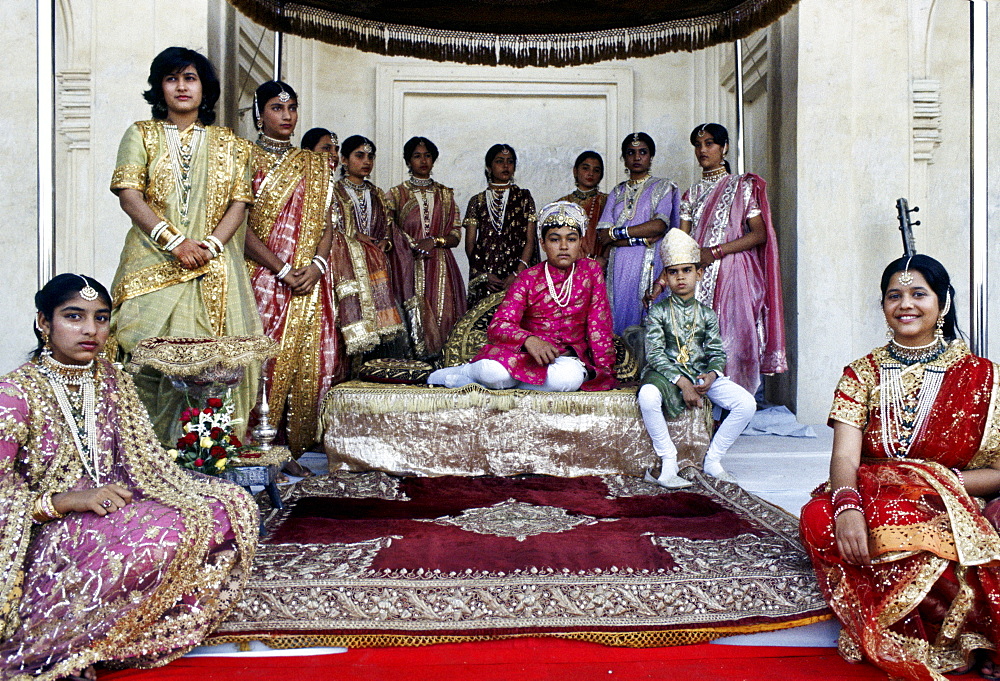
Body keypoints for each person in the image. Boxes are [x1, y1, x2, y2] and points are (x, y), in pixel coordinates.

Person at [0, 274, 259, 680]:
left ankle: (138, 627)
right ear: (43, 322)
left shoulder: (111, 377)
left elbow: (142, 461)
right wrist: (68, 501)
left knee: (229, 505)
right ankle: (64, 644)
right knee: (168, 534)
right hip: (51, 528)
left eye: (101, 319)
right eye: (74, 317)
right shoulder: (14, 394)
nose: (91, 330)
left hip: (115, 505)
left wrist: (150, 494)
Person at [799, 255, 1000, 681]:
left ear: (942, 304)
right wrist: (846, 506)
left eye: (918, 294)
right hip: (877, 495)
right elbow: (844, 457)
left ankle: (969, 636)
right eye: (894, 295)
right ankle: (925, 638)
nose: (905, 304)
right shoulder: (861, 373)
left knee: (934, 523)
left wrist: (942, 484)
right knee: (819, 517)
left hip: (958, 498)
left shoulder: (985, 377)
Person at [108, 47, 260, 445]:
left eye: (190, 78)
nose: (181, 86)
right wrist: (174, 241)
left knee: (213, 368)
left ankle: (207, 459)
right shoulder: (141, 133)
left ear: (204, 88)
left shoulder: (230, 144)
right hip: (152, 262)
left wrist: (209, 246)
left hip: (213, 267)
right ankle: (143, 453)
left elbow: (240, 203)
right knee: (141, 355)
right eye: (172, 78)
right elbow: (129, 194)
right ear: (160, 87)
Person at [243, 81, 343, 470]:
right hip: (263, 277)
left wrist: (317, 266)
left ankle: (289, 452)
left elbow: (328, 224)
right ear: (258, 113)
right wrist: (281, 268)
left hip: (309, 280)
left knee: (309, 366)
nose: (286, 116)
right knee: (260, 366)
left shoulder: (316, 164)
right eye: (276, 108)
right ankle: (256, 451)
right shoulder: (244, 158)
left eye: (292, 108)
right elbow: (237, 225)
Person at [649, 123, 785, 397]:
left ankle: (735, 401)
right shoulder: (691, 194)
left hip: (735, 273)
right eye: (698, 145)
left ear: (724, 148)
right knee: (699, 336)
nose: (702, 150)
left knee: (733, 337)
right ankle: (704, 402)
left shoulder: (743, 187)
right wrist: (662, 280)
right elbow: (680, 243)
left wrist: (716, 251)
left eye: (709, 144)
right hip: (698, 276)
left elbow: (759, 235)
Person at [429, 201, 615, 392]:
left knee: (568, 380)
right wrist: (529, 340)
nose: (564, 246)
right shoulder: (529, 277)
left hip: (565, 359)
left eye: (571, 239)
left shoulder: (590, 271)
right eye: (554, 239)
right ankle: (467, 373)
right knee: (493, 373)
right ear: (542, 243)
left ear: (581, 242)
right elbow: (499, 325)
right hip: (524, 355)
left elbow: (599, 325)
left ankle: (479, 386)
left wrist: (604, 369)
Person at [638, 229, 755, 488]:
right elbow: (655, 354)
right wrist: (682, 382)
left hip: (701, 373)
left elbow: (716, 352)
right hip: (666, 374)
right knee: (647, 395)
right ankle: (669, 462)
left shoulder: (707, 314)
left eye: (687, 270)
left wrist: (712, 375)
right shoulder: (658, 311)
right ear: (665, 278)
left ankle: (712, 460)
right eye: (673, 272)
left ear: (699, 274)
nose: (680, 277)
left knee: (746, 403)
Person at [327, 135, 408, 358]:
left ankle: (375, 367)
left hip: (375, 263)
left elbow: (388, 227)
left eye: (370, 156)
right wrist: (355, 236)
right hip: (347, 265)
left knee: (381, 328)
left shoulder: (377, 193)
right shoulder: (335, 192)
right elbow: (332, 228)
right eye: (359, 155)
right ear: (344, 159)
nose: (366, 161)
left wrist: (386, 242)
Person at [387, 136, 467, 358]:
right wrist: (411, 244)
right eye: (417, 156)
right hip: (408, 265)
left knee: (445, 313)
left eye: (428, 156)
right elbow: (388, 231)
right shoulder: (395, 195)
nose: (423, 161)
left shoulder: (445, 194)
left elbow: (455, 235)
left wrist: (434, 241)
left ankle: (443, 365)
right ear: (407, 161)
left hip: (441, 267)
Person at [597, 132, 679, 335]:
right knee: (618, 312)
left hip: (650, 259)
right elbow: (603, 234)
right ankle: (622, 365)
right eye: (631, 153)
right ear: (624, 158)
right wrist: (640, 236)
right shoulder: (617, 191)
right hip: (620, 264)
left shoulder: (663, 187)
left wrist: (618, 235)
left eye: (643, 152)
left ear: (651, 156)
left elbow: (660, 225)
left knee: (648, 314)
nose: (637, 157)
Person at [464, 144, 537, 308]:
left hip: (517, 274)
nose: (506, 166)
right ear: (489, 167)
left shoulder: (524, 198)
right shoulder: (477, 201)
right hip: (487, 276)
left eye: (510, 162)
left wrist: (517, 273)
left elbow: (530, 241)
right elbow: (470, 244)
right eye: (499, 161)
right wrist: (483, 276)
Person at [557, 151, 607, 262]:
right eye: (586, 168)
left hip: (598, 264)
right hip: (567, 262)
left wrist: (603, 259)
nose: (591, 173)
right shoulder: (562, 204)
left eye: (596, 170)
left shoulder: (607, 201)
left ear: (601, 176)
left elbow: (610, 237)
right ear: (575, 171)